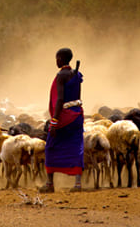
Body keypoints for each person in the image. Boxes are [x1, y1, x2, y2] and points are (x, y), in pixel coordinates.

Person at [38, 47, 83, 192]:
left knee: (51, 146)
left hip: (65, 116)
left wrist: (54, 121)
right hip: (77, 114)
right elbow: (77, 97)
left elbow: (60, 99)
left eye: (57, 58)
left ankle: (50, 184)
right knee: (76, 147)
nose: (56, 61)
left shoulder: (61, 75)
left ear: (61, 59)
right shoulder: (76, 74)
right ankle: (77, 184)